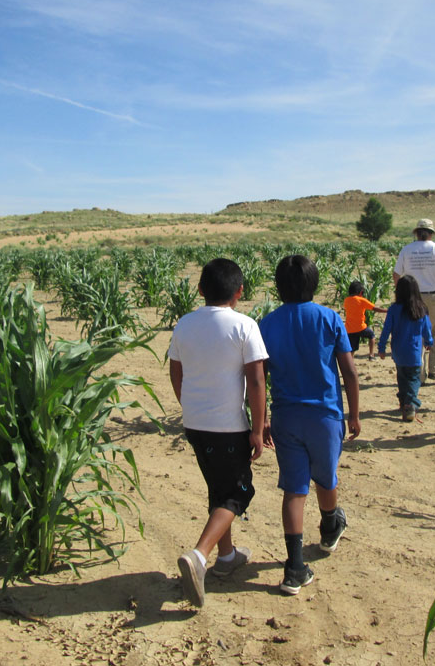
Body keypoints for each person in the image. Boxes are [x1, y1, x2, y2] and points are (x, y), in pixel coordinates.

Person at [168, 258, 268, 608]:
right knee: (238, 492)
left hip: (195, 424)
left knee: (218, 487)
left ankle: (227, 558)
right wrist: (258, 428)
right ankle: (200, 555)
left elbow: (175, 372)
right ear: (239, 292)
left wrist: (189, 404)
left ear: (200, 290)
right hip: (229, 426)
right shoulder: (244, 325)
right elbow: (256, 380)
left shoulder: (184, 324)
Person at [259, 255, 360, 596]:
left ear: (278, 286)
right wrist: (355, 415)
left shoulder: (267, 324)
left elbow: (259, 378)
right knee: (326, 476)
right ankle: (330, 526)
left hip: (286, 416)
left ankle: (294, 567)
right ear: (314, 284)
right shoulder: (329, 318)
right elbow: (349, 372)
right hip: (325, 415)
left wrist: (261, 422)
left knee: (294, 489)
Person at [393, 218, 435, 382]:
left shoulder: (407, 250)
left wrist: (401, 294)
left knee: (417, 333)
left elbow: (396, 274)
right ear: (431, 233)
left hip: (413, 297)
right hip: (434, 295)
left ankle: (419, 373)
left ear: (417, 233)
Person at [378, 276, 434, 422]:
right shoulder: (421, 308)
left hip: (398, 352)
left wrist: (382, 347)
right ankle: (410, 404)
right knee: (414, 379)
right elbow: (426, 328)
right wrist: (429, 341)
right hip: (414, 352)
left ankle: (403, 403)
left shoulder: (393, 309)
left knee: (402, 378)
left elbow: (386, 330)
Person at [342, 281, 386, 360]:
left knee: (352, 348)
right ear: (360, 292)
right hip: (360, 327)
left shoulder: (346, 300)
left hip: (349, 329)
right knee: (371, 336)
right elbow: (374, 308)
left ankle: (350, 361)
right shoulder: (361, 300)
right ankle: (371, 355)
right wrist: (387, 311)